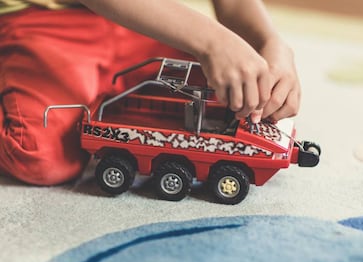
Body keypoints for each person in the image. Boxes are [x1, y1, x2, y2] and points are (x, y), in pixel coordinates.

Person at [0, 0, 301, 186]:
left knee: (236, 79)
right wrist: (212, 41)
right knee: (36, 153)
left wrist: (269, 42)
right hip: (42, 20)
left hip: (146, 17)